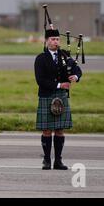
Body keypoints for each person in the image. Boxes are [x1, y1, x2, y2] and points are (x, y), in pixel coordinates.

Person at [34, 29, 82, 170]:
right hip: (47, 95)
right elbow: (40, 80)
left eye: (57, 39)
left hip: (61, 96)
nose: (55, 42)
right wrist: (60, 84)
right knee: (47, 130)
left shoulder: (65, 56)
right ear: (46, 41)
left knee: (60, 130)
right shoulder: (41, 59)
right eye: (53, 39)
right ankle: (47, 160)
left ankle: (58, 161)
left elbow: (77, 70)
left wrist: (76, 77)